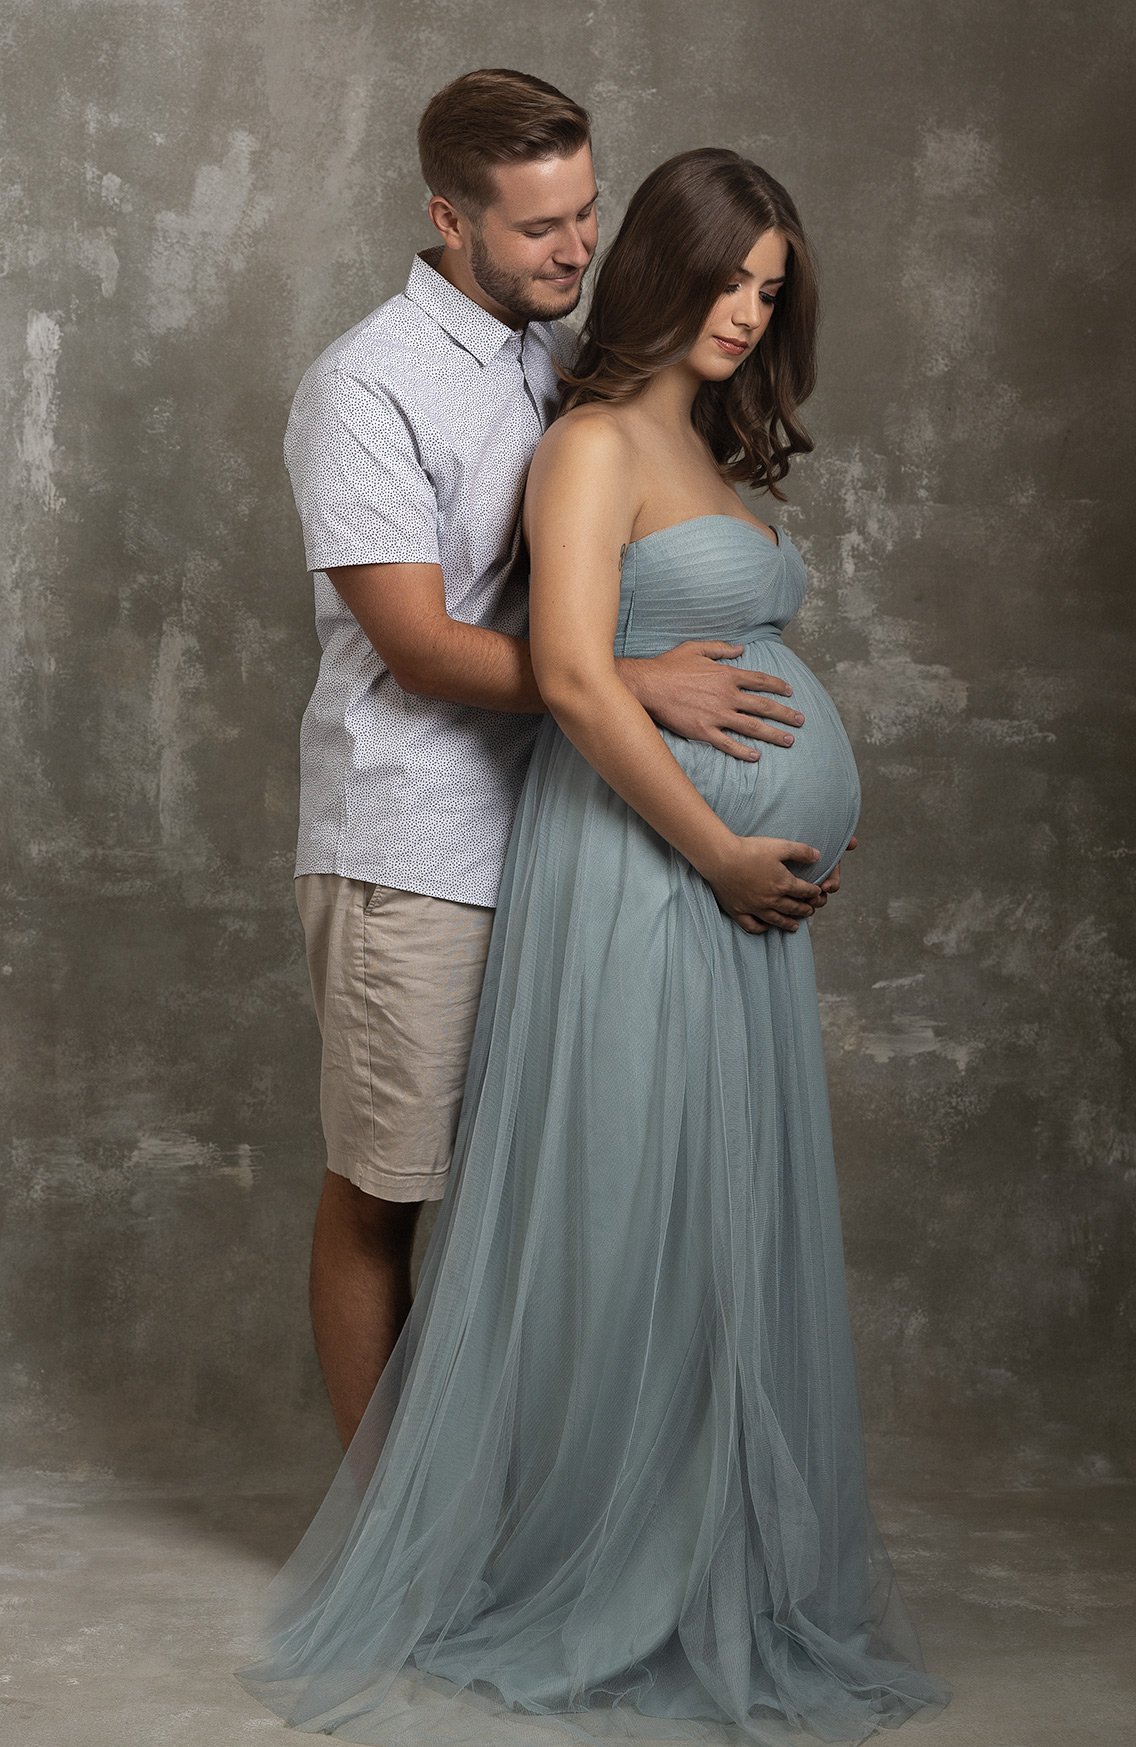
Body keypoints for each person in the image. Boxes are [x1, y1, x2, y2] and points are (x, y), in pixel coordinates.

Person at [237, 148, 949, 1743]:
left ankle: (697, 1543)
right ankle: (475, 1542)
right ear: (659, 265)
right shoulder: (583, 444)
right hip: (646, 871)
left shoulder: (672, 428)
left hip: (720, 894)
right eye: (726, 278)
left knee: (703, 1214)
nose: (747, 311)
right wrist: (714, 848)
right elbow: (563, 669)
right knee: (602, 1201)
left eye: (772, 290)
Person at [283, 69, 835, 1452]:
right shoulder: (366, 386)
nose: (577, 251)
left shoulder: (555, 360)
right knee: (387, 1184)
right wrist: (621, 682)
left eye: (588, 214)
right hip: (415, 844)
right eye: (542, 230)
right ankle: (380, 1525)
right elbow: (416, 645)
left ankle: (499, 1505)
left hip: (559, 833)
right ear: (448, 220)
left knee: (544, 1199)